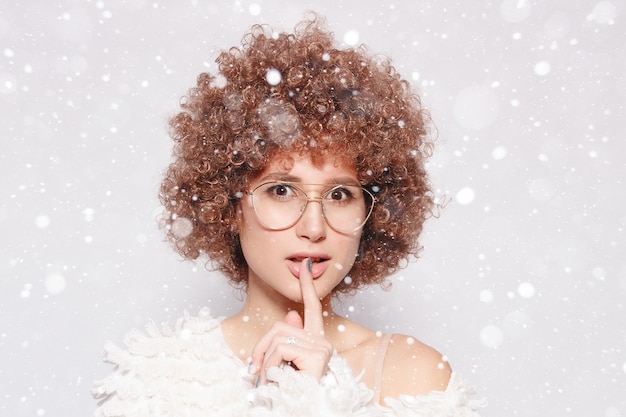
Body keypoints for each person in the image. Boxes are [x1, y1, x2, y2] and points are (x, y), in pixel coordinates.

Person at [92, 14, 485, 417]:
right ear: (229, 205)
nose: (314, 228)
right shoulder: (162, 382)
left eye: (339, 193)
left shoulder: (411, 376)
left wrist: (315, 399)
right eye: (282, 190)